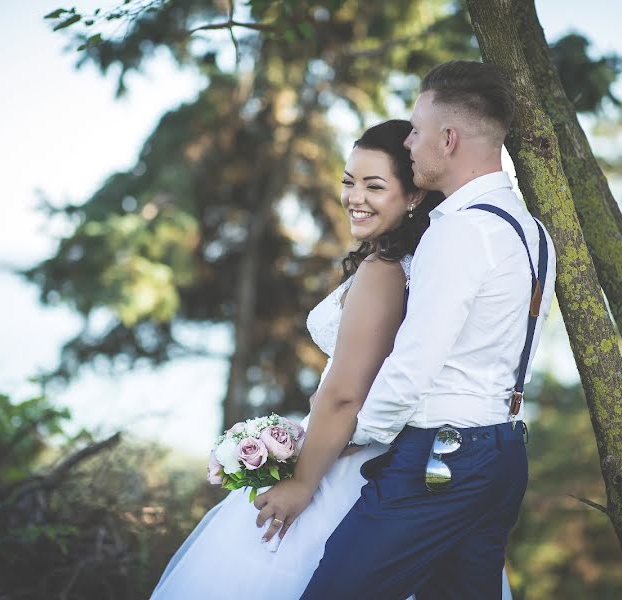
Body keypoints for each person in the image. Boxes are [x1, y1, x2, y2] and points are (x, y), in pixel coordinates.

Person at [149, 119, 513, 599]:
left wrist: (302, 482)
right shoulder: (416, 264)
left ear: (414, 198)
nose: (354, 197)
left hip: (344, 469)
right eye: (348, 181)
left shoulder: (384, 272)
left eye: (374, 185)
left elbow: (345, 393)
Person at [257, 60, 556, 600]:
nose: (409, 141)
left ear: (448, 138)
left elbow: (412, 366)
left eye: (416, 130)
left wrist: (348, 444)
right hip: (505, 452)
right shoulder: (532, 232)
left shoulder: (458, 231)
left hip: (440, 458)